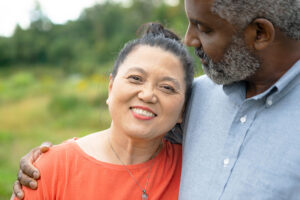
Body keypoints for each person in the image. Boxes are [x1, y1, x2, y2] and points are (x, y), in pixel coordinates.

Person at [13, 0, 300, 199]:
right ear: (110, 86)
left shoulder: (186, 102)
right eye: (135, 79)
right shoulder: (201, 95)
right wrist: (55, 162)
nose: (189, 39)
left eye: (205, 28)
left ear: (260, 33)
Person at [11, 23, 194, 200]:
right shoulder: (51, 169)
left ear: (182, 110)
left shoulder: (194, 170)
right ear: (111, 87)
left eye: (167, 88)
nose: (147, 95)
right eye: (136, 78)